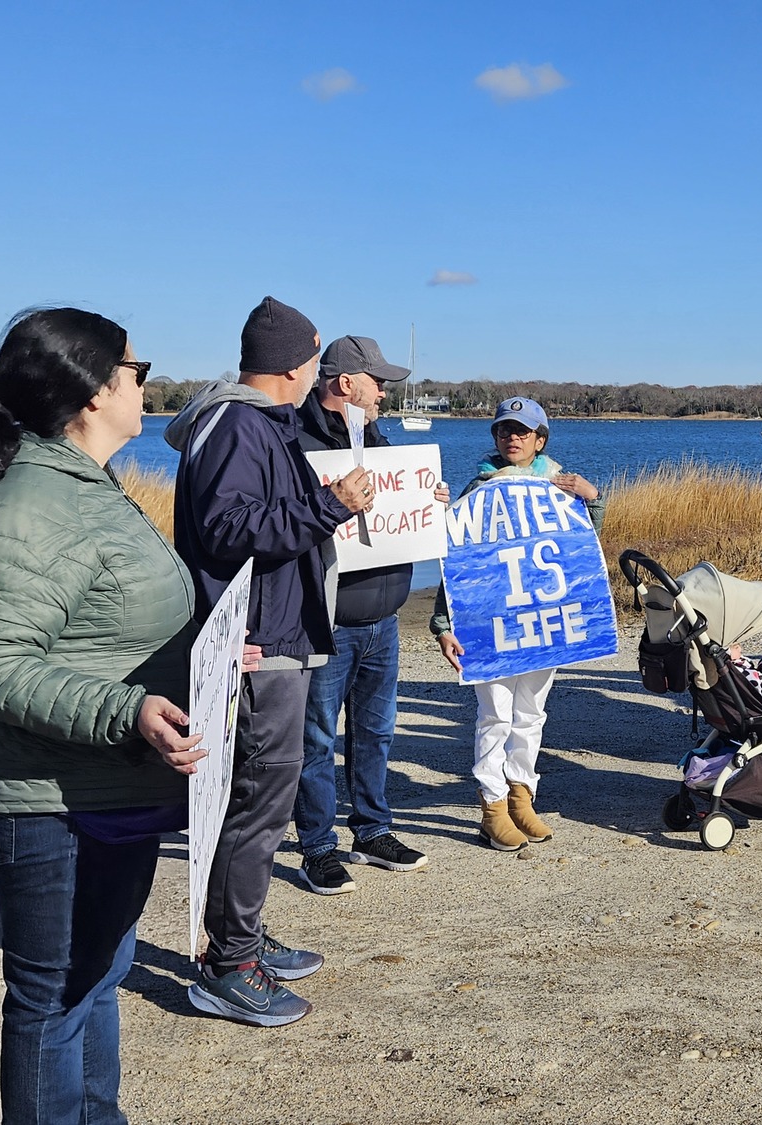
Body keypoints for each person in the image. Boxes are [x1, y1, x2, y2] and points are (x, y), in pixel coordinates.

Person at [0, 308, 205, 1122]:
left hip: (104, 787)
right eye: (136, 368)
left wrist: (209, 659)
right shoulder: (27, 505)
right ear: (92, 391)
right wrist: (129, 709)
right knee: (53, 995)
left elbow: (101, 621)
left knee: (96, 977)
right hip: (47, 799)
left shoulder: (87, 483)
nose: (145, 382)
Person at [167, 296, 373, 1026]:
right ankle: (229, 964)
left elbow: (251, 516)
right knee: (258, 802)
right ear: (294, 363)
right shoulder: (239, 425)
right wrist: (328, 508)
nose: (319, 370)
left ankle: (239, 935)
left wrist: (319, 501)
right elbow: (228, 529)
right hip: (256, 648)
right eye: (314, 358)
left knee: (257, 801)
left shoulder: (255, 424)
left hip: (270, 637)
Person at [293, 335, 445, 894]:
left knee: (376, 733)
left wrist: (431, 501)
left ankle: (373, 831)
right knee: (315, 740)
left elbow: (399, 511)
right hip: (327, 621)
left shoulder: (379, 440)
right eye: (377, 381)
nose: (384, 392)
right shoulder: (297, 442)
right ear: (345, 383)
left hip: (384, 617)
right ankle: (317, 846)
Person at [430, 398, 604, 852]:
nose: (512, 438)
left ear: (540, 440)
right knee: (495, 716)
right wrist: (443, 623)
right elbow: (459, 562)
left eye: (522, 431)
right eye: (504, 430)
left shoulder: (560, 484)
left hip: (543, 623)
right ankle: (492, 807)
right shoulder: (479, 488)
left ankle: (522, 795)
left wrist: (594, 500)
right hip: (490, 627)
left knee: (531, 715)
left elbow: (583, 547)